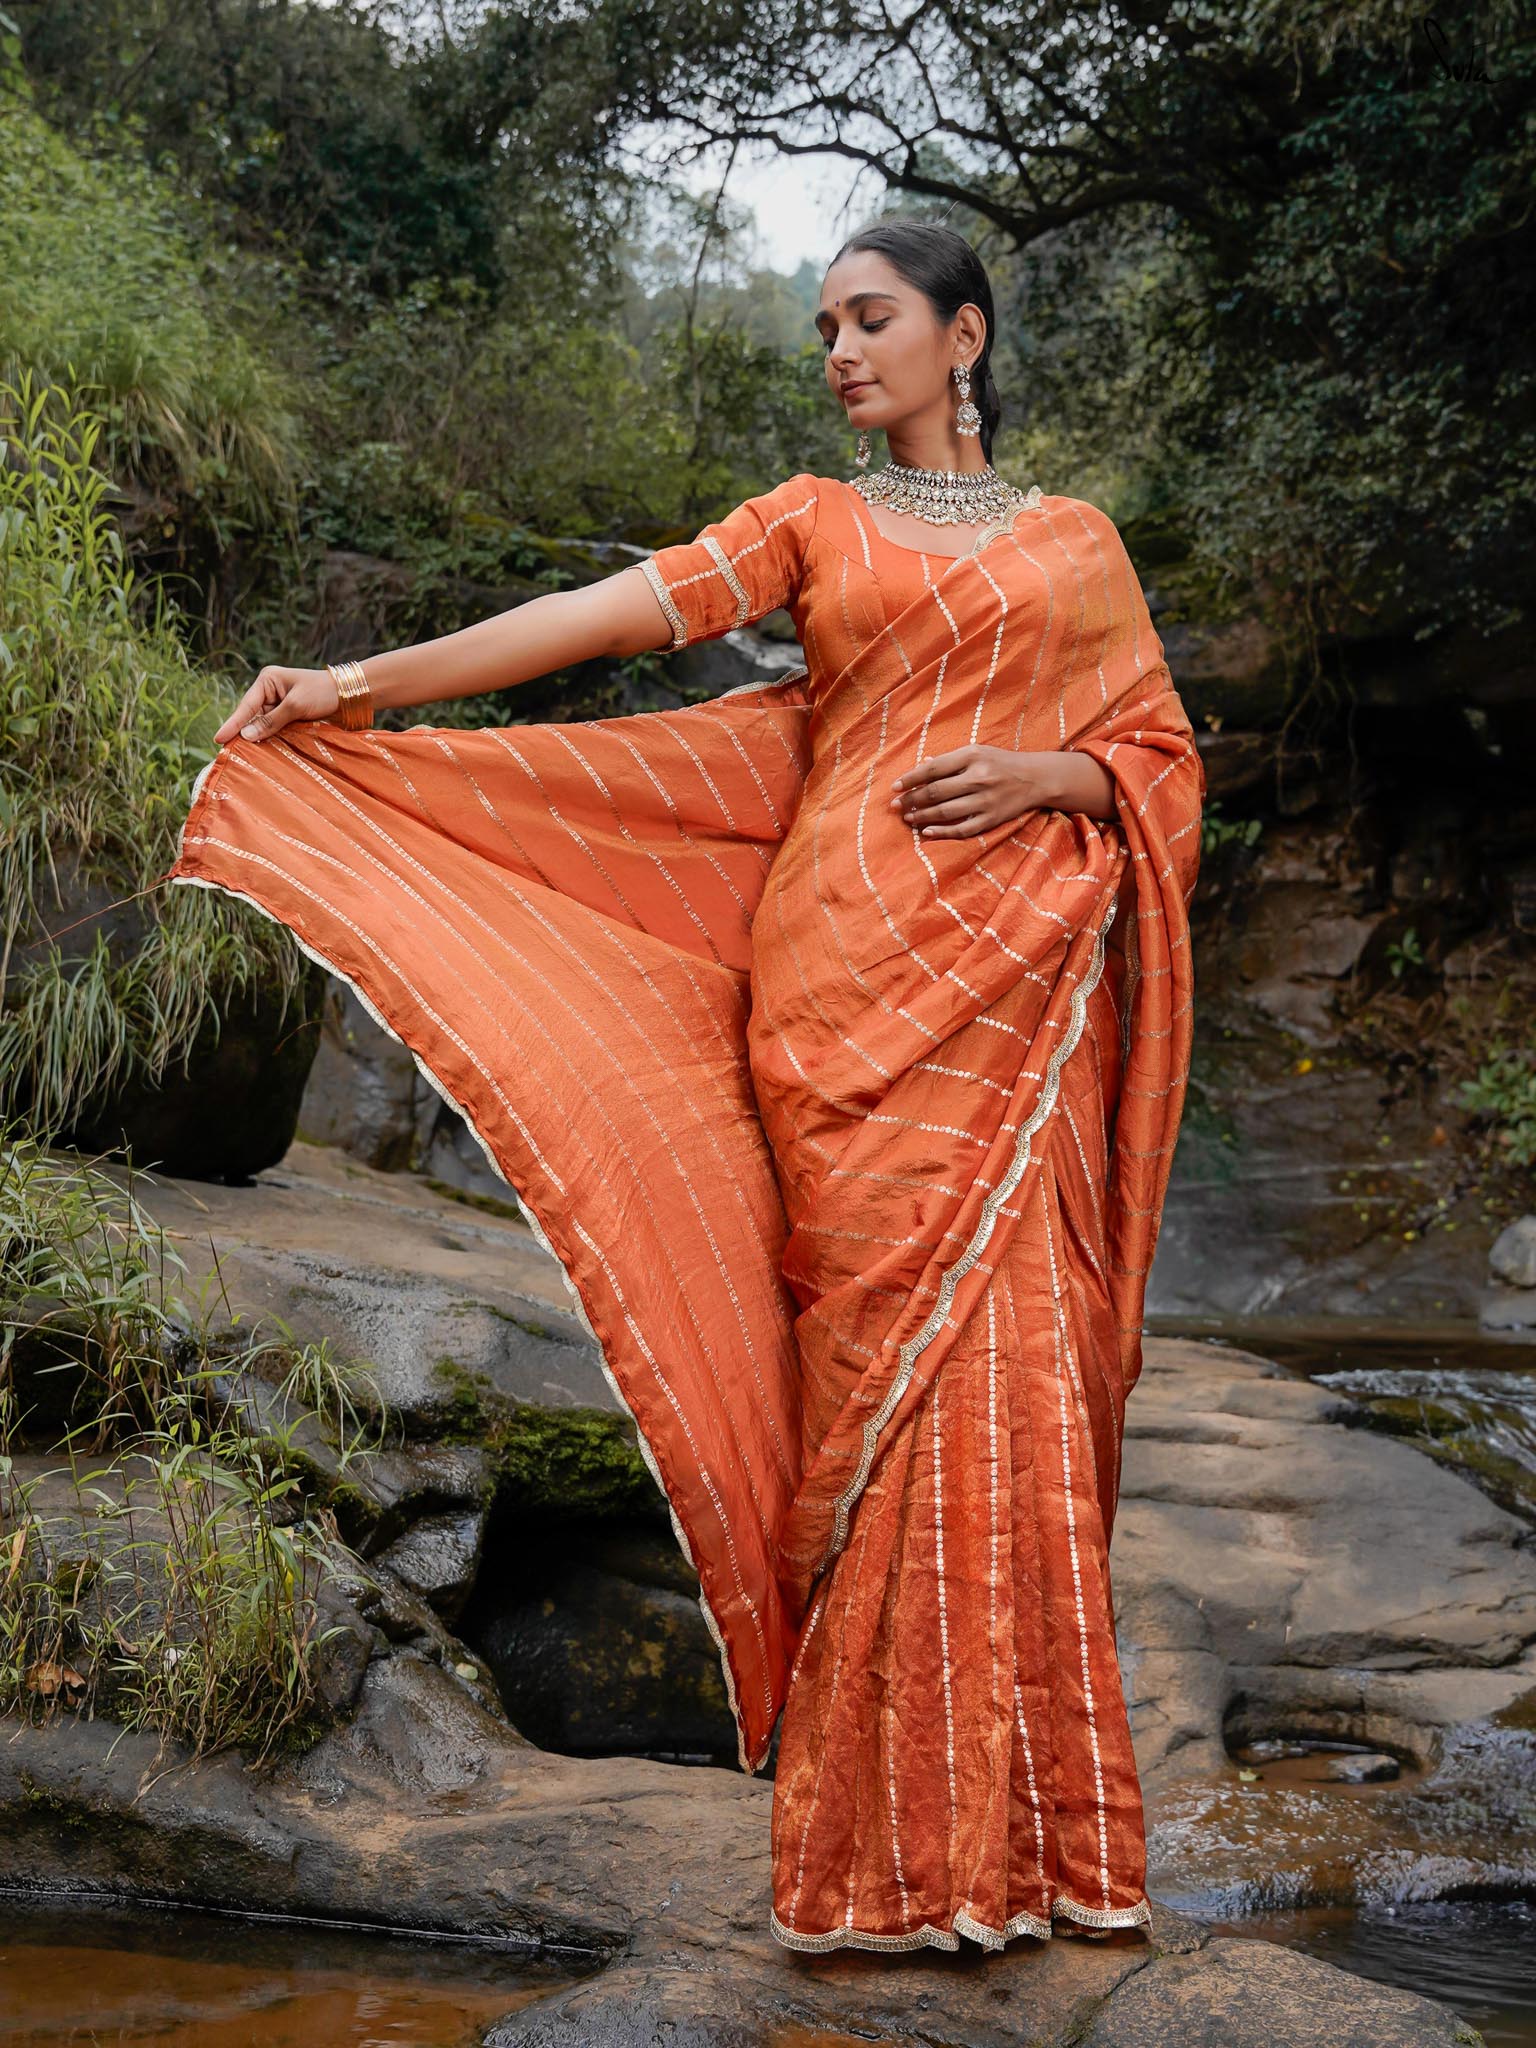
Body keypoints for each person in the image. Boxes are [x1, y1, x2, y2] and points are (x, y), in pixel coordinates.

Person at [168, 218, 1206, 1955]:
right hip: (845, 980)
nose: (841, 351)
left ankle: (1021, 1853)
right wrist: (354, 685)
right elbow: (594, 619)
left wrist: (1055, 775)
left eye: (872, 319)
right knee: (873, 1386)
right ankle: (885, 1863)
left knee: (1015, 1375)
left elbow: (1160, 757)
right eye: (826, 328)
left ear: (964, 336)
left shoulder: (1077, 543)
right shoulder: (811, 520)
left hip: (1019, 991)